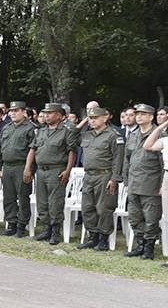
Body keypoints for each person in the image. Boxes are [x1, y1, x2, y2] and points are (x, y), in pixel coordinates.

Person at [72, 108, 124, 251]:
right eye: (90, 118)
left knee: (104, 208)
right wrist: (83, 122)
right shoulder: (87, 135)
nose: (92, 120)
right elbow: (70, 137)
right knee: (87, 207)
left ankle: (103, 239)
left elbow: (118, 160)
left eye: (95, 117)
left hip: (105, 175)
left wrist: (114, 179)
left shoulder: (113, 136)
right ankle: (92, 237)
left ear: (105, 118)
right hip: (89, 175)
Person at [24, 103, 77, 245]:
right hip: (41, 170)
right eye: (45, 113)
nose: (46, 116)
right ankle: (46, 229)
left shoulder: (66, 131)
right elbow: (33, 150)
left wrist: (68, 170)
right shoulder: (41, 131)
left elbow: (72, 152)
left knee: (55, 202)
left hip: (56, 170)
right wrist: (28, 168)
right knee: (42, 201)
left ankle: (55, 231)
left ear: (59, 115)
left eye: (50, 113)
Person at [123, 104, 163, 260]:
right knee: (134, 216)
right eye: (137, 113)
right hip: (133, 182)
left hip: (150, 184)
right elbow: (127, 159)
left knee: (151, 218)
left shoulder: (158, 135)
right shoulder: (133, 135)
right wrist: (126, 180)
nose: (138, 116)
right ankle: (140, 244)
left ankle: (149, 248)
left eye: (143, 114)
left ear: (151, 117)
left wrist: (161, 185)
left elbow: (162, 163)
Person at [0, 101, 36, 237]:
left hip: (21, 166)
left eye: (16, 111)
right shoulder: (7, 128)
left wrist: (29, 169)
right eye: (11, 111)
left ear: (24, 112)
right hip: (7, 166)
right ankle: (11, 224)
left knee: (23, 197)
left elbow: (34, 149)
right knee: (9, 197)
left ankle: (21, 226)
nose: (12, 113)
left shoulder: (31, 128)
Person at [143, 117, 168, 266]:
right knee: (167, 217)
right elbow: (147, 145)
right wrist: (159, 128)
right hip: (167, 176)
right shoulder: (165, 140)